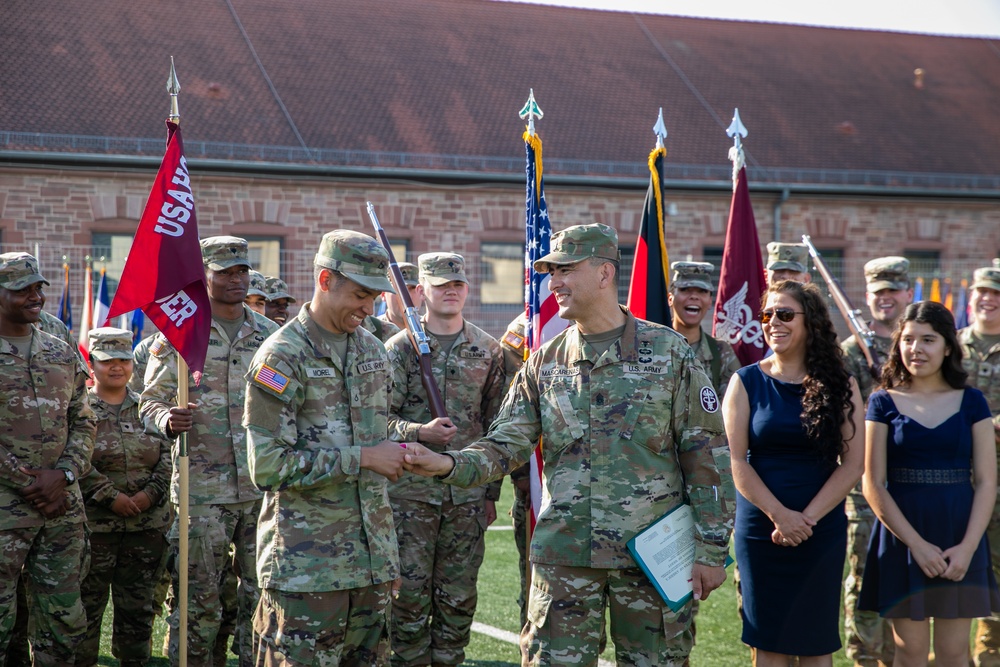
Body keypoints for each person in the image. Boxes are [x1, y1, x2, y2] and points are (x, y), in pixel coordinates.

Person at [402, 223, 734, 666]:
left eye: (565, 270)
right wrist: (447, 465)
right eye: (551, 272)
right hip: (565, 556)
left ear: (603, 273)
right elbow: (505, 442)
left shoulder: (669, 353)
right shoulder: (546, 360)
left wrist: (711, 548)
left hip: (649, 558)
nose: (553, 282)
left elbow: (707, 454)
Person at [243, 229, 407, 665]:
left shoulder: (372, 349)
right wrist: (365, 458)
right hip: (305, 571)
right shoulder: (280, 357)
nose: (368, 308)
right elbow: (268, 465)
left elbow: (374, 434)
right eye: (359, 294)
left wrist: (385, 558)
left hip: (370, 565)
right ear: (324, 280)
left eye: (374, 296)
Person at [140, 236, 278, 667]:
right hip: (202, 489)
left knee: (263, 596)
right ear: (203, 277)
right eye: (225, 272)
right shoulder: (182, 334)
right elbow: (148, 402)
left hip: (261, 487)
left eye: (242, 271)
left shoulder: (270, 335)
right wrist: (167, 420)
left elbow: (285, 395)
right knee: (199, 596)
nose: (237, 279)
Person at [725, 280, 864, 665]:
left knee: (816, 642)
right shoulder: (745, 381)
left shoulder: (842, 384)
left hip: (821, 530)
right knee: (767, 641)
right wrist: (780, 516)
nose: (773, 322)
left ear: (811, 322)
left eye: (785, 314)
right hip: (761, 529)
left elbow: (853, 464)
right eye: (767, 314)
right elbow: (736, 460)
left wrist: (806, 520)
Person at [859, 301, 1000, 666]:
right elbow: (873, 483)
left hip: (960, 534)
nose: (915, 349)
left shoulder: (973, 402)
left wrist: (968, 548)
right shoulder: (882, 402)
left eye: (928, 339)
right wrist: (917, 546)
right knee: (910, 653)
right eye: (907, 339)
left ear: (948, 346)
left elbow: (986, 481)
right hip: (903, 538)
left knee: (955, 654)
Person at [384, 251, 506, 667]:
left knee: (458, 596)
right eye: (440, 286)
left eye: (457, 285)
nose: (450, 292)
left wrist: (490, 492)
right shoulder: (399, 350)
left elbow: (497, 427)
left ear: (467, 291)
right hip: (409, 495)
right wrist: (419, 432)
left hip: (466, 497)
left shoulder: (487, 350)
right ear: (420, 292)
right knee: (408, 597)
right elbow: (377, 421)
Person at [0, 252, 96, 665]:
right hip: (6, 509)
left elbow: (84, 418)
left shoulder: (61, 351)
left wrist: (66, 473)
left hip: (62, 510)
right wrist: (28, 481)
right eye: (22, 289)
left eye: (38, 287)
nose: (35, 296)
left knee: (63, 621)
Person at [76, 327, 171, 667]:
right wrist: (108, 496)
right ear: (92, 365)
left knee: (138, 613)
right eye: (106, 361)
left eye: (123, 360)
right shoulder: (80, 409)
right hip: (95, 528)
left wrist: (151, 493)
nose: (116, 367)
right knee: (86, 611)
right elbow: (74, 459)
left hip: (146, 528)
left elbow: (169, 456)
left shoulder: (149, 407)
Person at [841, 257, 912, 667]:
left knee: (913, 572)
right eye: (877, 293)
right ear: (867, 297)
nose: (885, 299)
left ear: (907, 293)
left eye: (892, 291)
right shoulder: (851, 350)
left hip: (916, 479)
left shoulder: (920, 345)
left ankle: (907, 656)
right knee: (865, 575)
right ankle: (867, 658)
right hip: (866, 482)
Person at [958, 265, 1000, 666]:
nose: (986, 299)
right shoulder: (952, 347)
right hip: (955, 479)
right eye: (980, 293)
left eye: (995, 293)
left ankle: (989, 655)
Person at [668, 261, 741, 396]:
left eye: (702, 291)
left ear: (709, 302)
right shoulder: (653, 347)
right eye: (685, 290)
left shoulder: (721, 353)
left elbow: (731, 405)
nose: (694, 296)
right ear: (670, 298)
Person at [380, 261, 423, 331]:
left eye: (412, 288)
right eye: (398, 289)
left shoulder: (432, 330)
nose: (406, 295)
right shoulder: (370, 331)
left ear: (421, 293)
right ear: (383, 294)